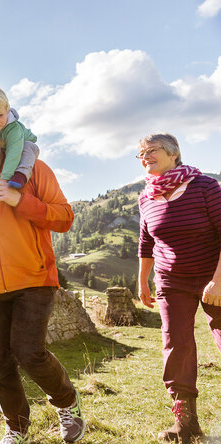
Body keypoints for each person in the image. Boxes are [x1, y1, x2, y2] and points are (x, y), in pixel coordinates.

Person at [0, 117, 84, 444]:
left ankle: (67, 403)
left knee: (28, 351)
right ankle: (17, 427)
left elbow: (64, 217)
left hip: (34, 279)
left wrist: (20, 201)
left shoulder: (34, 170)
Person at [137, 133, 221, 443]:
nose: (145, 157)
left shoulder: (205, 187)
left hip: (214, 273)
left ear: (174, 154)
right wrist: (143, 280)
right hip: (172, 281)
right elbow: (147, 243)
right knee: (176, 347)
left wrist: (218, 280)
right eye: (140, 154)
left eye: (151, 150)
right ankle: (185, 424)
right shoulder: (146, 197)